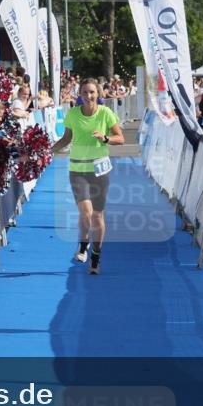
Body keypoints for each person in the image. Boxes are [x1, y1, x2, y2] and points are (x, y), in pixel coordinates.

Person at [51, 78, 125, 275]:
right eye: (85, 92)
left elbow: (120, 138)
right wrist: (48, 150)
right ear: (80, 94)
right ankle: (83, 245)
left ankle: (96, 257)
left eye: (92, 92)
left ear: (98, 94)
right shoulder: (73, 114)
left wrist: (105, 138)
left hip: (100, 170)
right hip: (78, 170)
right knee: (85, 212)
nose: (88, 96)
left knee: (97, 215)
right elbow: (66, 138)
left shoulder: (106, 113)